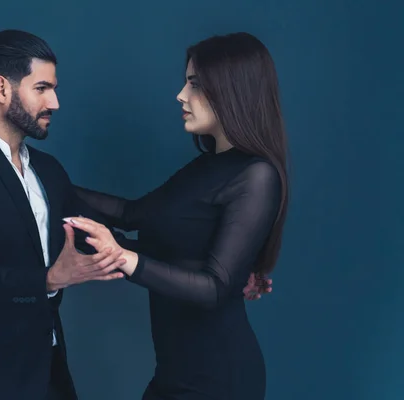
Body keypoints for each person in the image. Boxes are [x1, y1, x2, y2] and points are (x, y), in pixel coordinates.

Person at [0, 28, 272, 400]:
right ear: (3, 89)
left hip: (49, 371)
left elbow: (113, 242)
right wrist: (50, 279)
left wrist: (228, 268)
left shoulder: (47, 170)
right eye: (42, 88)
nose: (55, 102)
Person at [67, 32, 288, 400]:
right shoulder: (207, 166)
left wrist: (123, 258)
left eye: (195, 84)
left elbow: (215, 287)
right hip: (174, 373)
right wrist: (44, 178)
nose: (181, 95)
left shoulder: (256, 175)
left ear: (232, 90)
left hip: (217, 380)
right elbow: (131, 213)